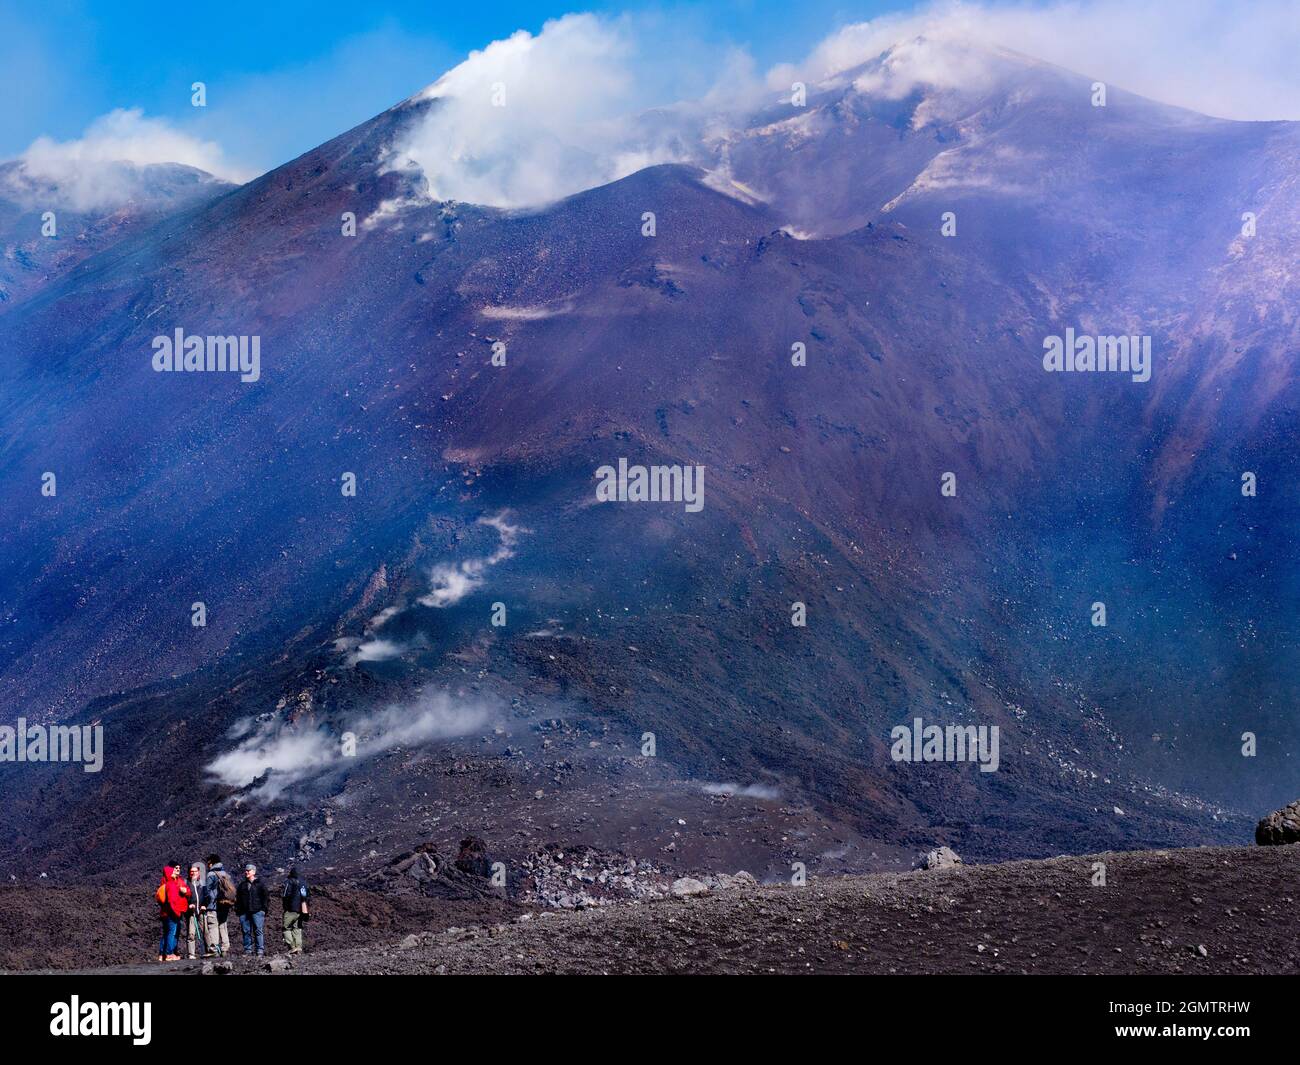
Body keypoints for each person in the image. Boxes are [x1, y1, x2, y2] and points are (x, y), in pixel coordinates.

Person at [201, 854, 235, 957]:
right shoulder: (225, 874)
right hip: (225, 904)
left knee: (213, 926)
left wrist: (206, 903)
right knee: (223, 926)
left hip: (213, 905)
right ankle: (225, 949)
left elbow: (207, 891)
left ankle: (214, 949)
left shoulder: (211, 874)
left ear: (211, 863)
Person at [155, 865, 190, 962]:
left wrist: (185, 891)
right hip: (173, 912)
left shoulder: (168, 882)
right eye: (175, 869)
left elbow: (188, 891)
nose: (177, 870)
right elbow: (172, 900)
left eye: (179, 868)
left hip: (165, 913)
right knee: (172, 933)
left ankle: (162, 954)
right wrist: (177, 912)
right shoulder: (171, 883)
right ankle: (169, 954)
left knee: (166, 933)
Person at [235, 862, 269, 956]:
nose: (246, 872)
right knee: (246, 931)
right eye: (246, 870)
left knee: (258, 930)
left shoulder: (260, 884)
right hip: (244, 912)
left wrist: (263, 910)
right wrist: (239, 911)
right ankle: (248, 950)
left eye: (248, 870)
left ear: (254, 872)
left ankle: (260, 950)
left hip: (257, 911)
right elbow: (238, 899)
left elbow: (266, 897)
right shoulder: (242, 885)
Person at [281, 867, 309, 954]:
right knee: (297, 928)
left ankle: (292, 946)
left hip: (291, 909)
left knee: (286, 928)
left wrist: (285, 906)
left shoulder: (289, 882)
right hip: (301, 909)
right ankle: (299, 947)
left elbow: (286, 895)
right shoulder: (303, 883)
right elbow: (307, 896)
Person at [183, 862, 207, 959]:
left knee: (206, 931)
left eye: (195, 871)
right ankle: (191, 954)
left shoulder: (202, 883)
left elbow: (206, 896)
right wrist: (189, 904)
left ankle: (208, 950)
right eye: (191, 871)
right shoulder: (186, 883)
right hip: (191, 912)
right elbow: (183, 898)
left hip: (201, 910)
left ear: (198, 872)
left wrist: (204, 905)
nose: (193, 873)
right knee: (191, 933)